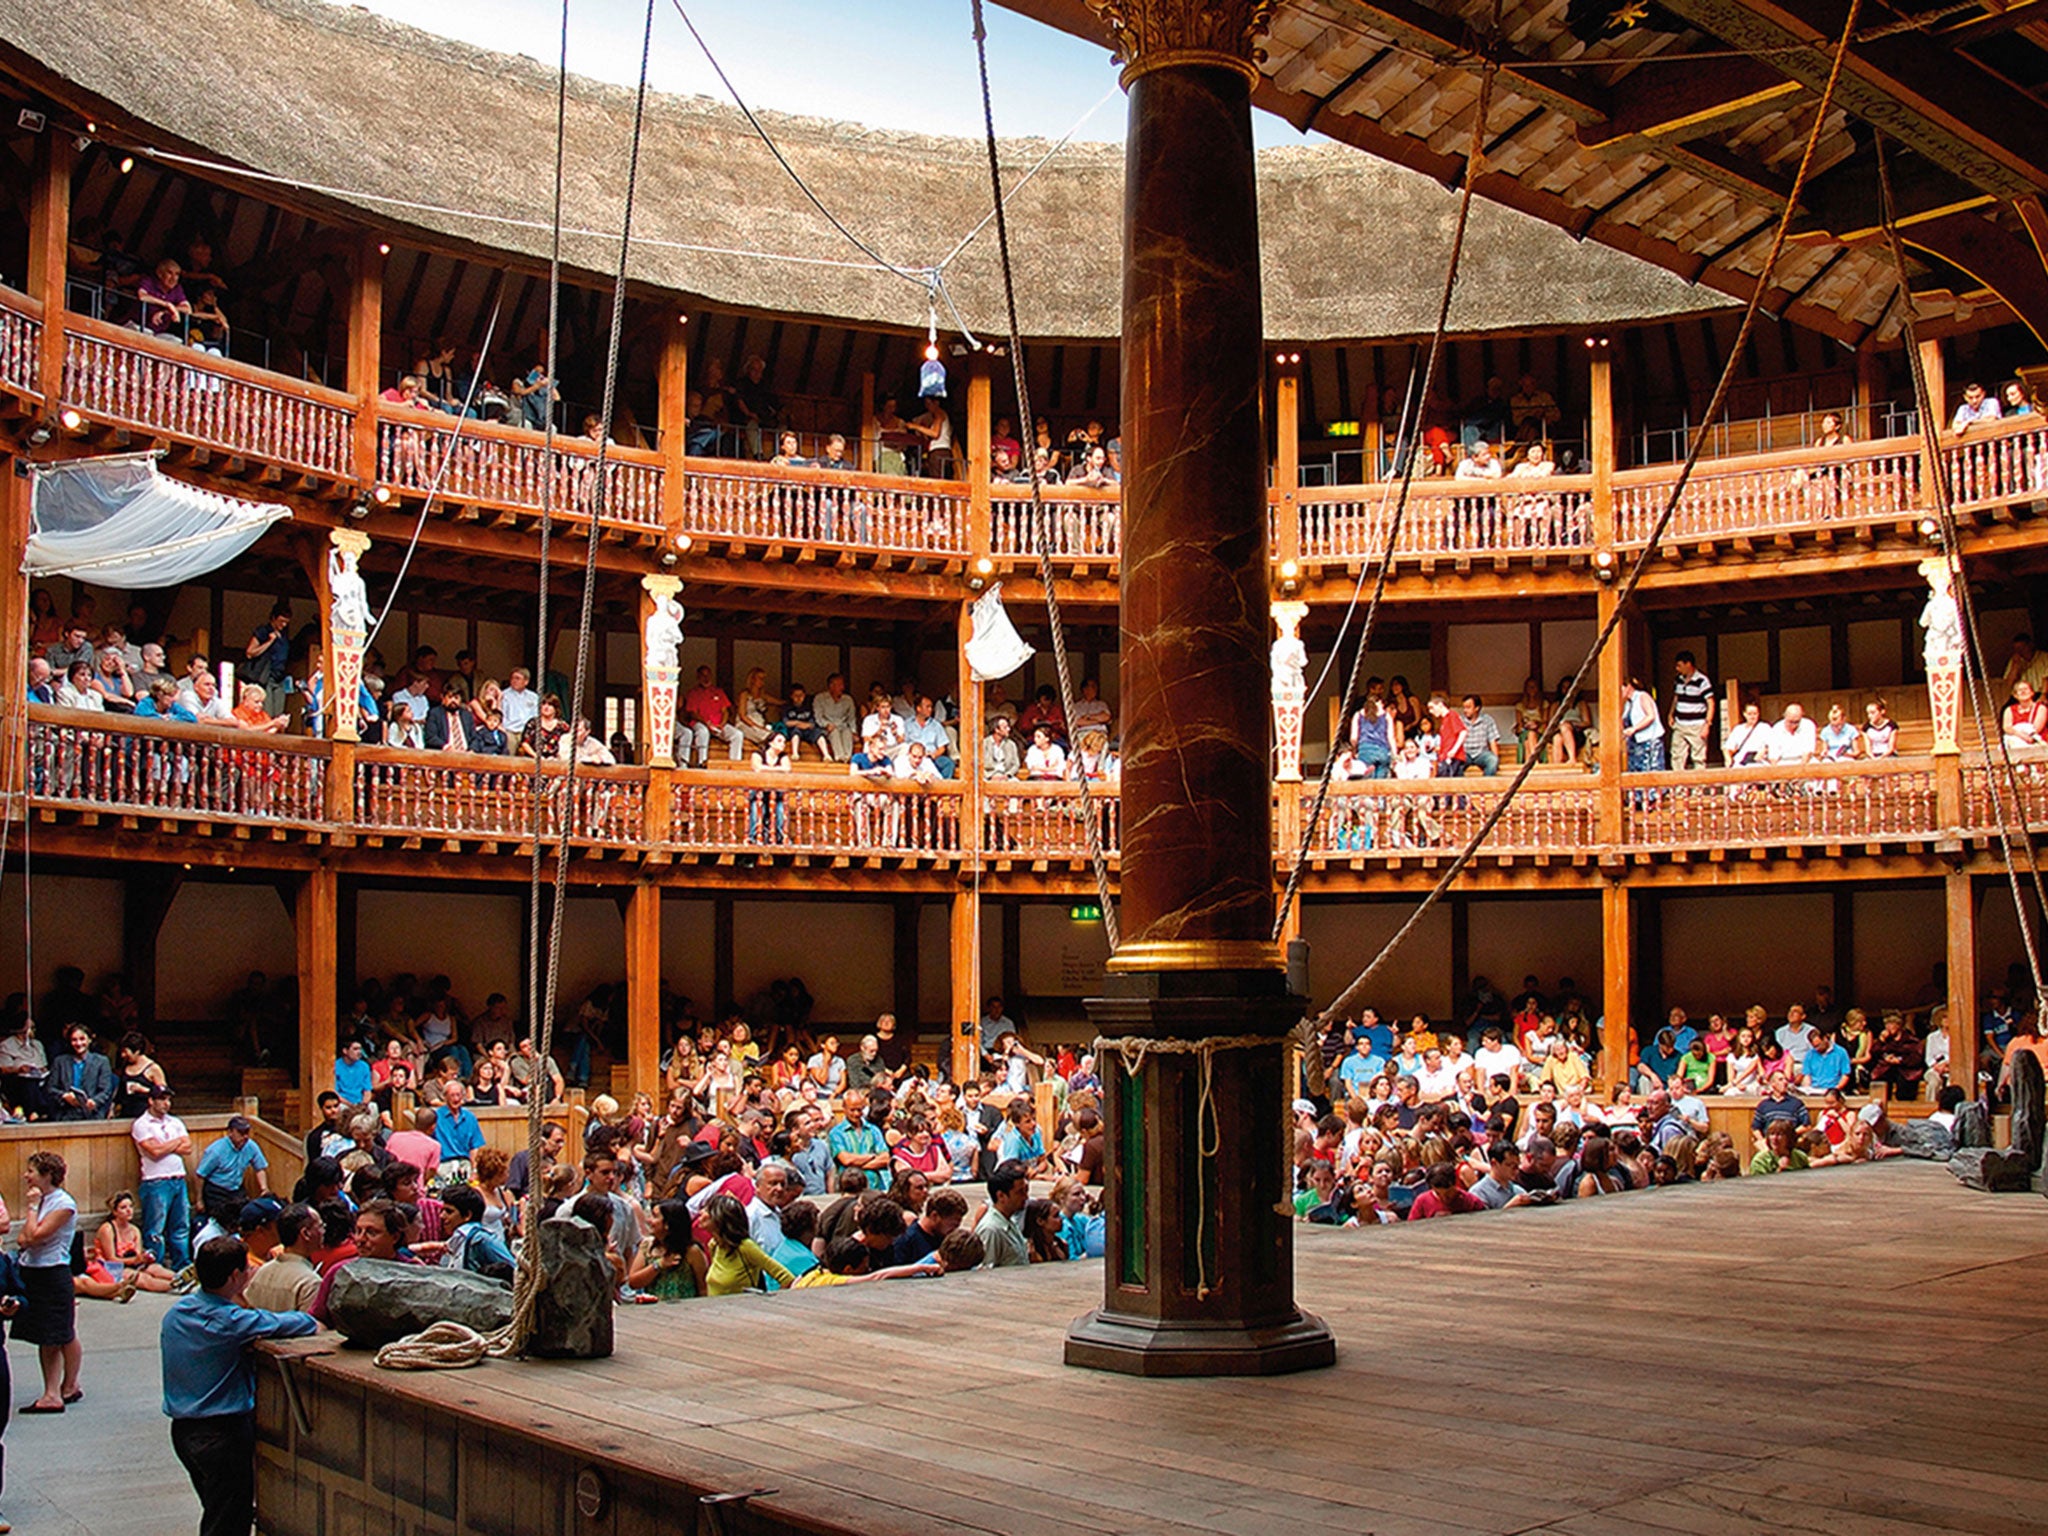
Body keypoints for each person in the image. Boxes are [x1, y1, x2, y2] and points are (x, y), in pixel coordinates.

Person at [161, 1236, 320, 1536]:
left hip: (184, 1430)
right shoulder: (230, 1321)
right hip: (221, 1432)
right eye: (246, 1269)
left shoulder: (178, 1314)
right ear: (235, 1276)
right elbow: (292, 1323)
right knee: (229, 1519)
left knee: (217, 1508)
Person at [16, 1152, 82, 1415]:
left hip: (51, 1271)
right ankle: (68, 1386)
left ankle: (53, 1393)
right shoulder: (44, 1201)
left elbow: (35, 1236)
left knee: (54, 1334)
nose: (26, 1176)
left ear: (47, 1175)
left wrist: (32, 1209)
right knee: (59, 1330)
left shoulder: (62, 1204)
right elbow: (23, 1238)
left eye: (31, 1171)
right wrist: (32, 1222)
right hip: (34, 1269)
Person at [134, 1084, 195, 1273]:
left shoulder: (175, 1122)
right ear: (151, 1101)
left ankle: (182, 1264)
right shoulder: (141, 1124)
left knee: (181, 1225)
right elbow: (154, 1151)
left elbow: (188, 1147)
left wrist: (167, 1145)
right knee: (155, 1228)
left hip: (178, 1177)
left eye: (168, 1099)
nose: (166, 1104)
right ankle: (155, 1267)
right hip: (156, 1180)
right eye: (161, 1099)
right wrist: (176, 1142)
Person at [193, 1115, 271, 1225]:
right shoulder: (216, 1150)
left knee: (243, 1218)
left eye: (247, 1132)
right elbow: (200, 1175)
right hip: (216, 1191)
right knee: (221, 1221)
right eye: (241, 1132)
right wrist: (199, 1200)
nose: (245, 1136)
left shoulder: (251, 1146)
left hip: (236, 1189)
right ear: (230, 1132)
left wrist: (264, 1188)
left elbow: (260, 1168)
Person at [975, 1159, 1032, 1267]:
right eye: (1020, 1192)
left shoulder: (1010, 1221)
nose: (1026, 1197)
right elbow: (986, 1271)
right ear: (1001, 1196)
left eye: (1026, 1191)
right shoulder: (991, 1230)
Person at [1668, 652, 1715, 771]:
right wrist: (1671, 714)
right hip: (1680, 723)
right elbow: (1676, 698)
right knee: (1677, 755)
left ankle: (1698, 787)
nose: (1677, 669)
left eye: (1679, 665)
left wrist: (1707, 724)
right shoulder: (1678, 679)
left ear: (1688, 664)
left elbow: (1710, 702)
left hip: (1696, 724)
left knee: (1698, 757)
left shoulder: (1702, 680)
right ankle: (1679, 786)